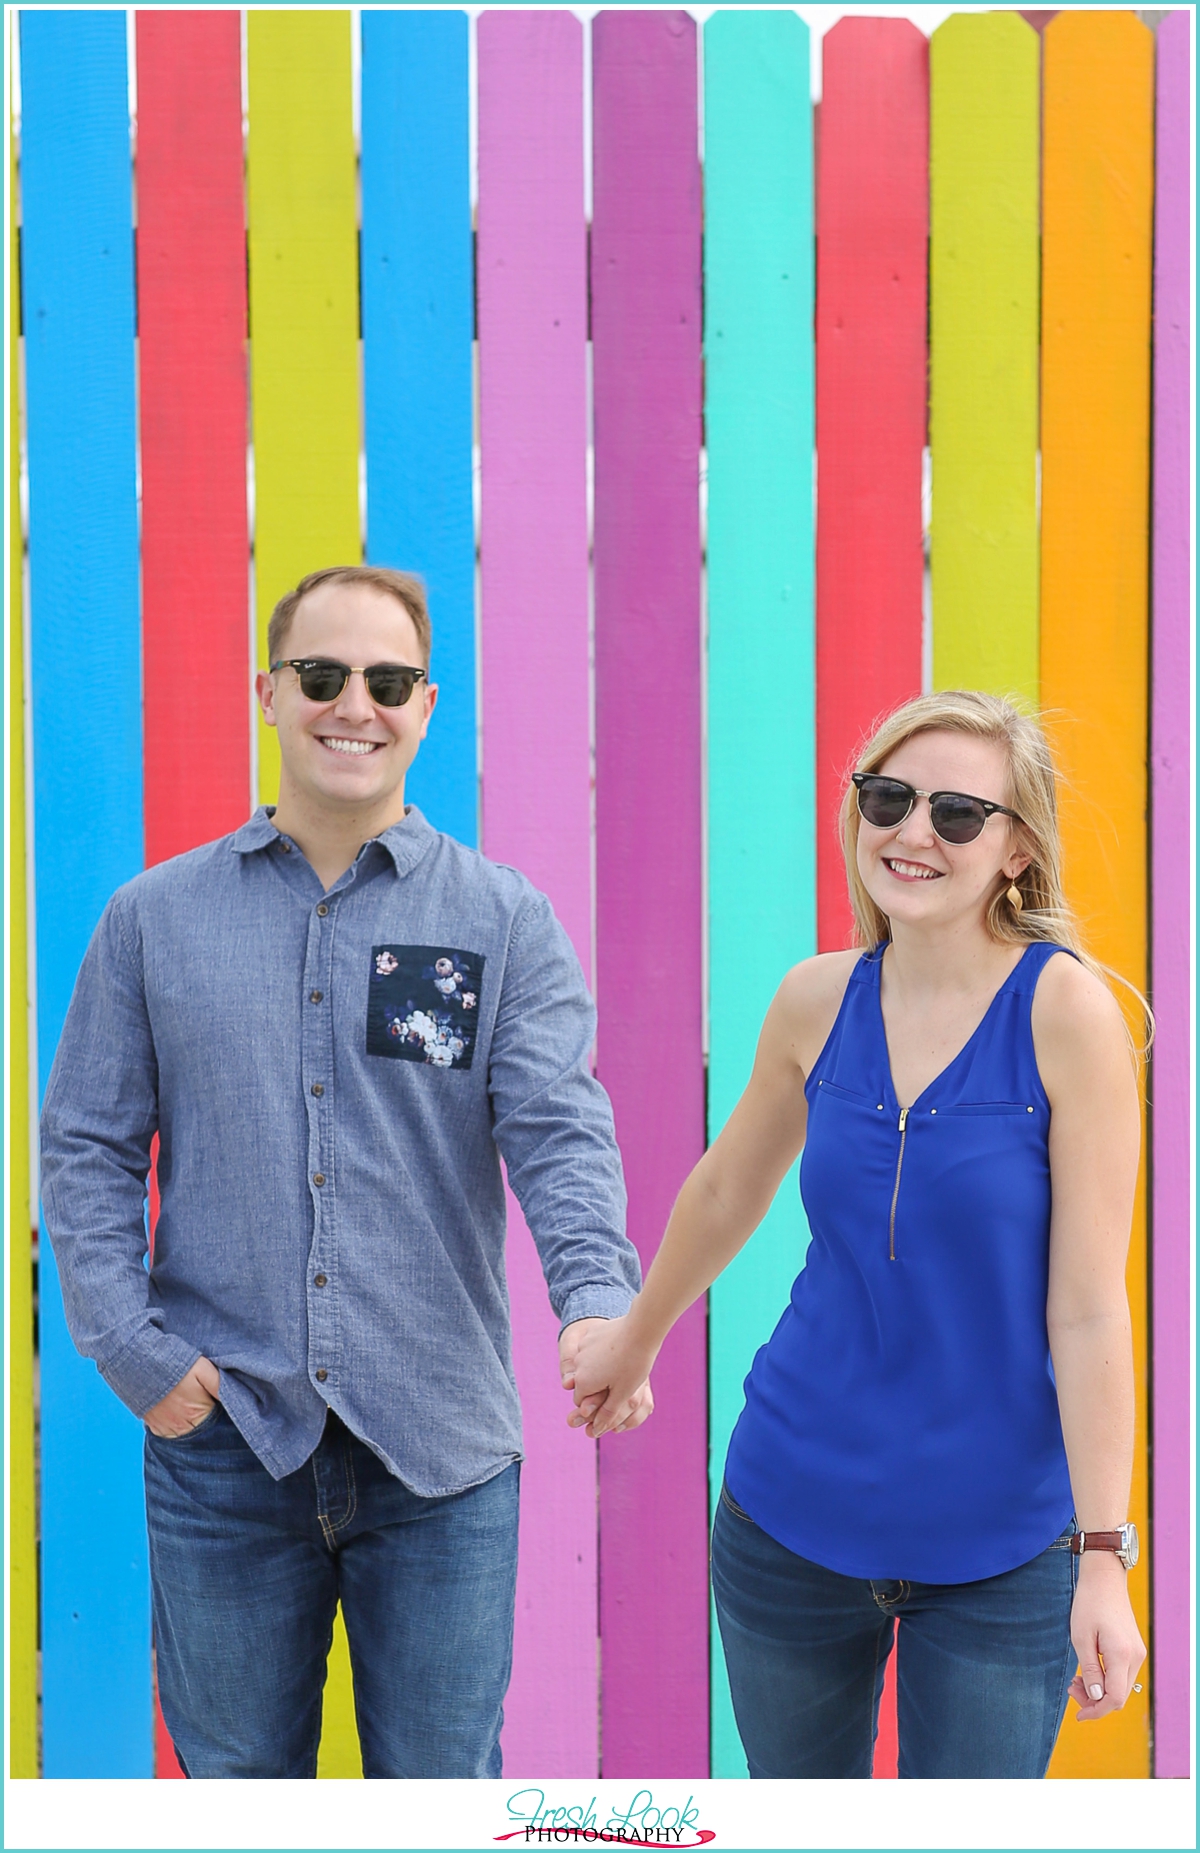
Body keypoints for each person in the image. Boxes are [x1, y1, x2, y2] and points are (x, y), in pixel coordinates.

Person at [39, 564, 648, 1780]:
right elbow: (87, 1145)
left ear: (427, 706)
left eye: (385, 680)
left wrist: (597, 1299)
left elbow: (559, 1130)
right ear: (268, 692)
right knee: (238, 1798)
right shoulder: (152, 918)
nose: (351, 705)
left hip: (442, 1457)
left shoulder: (502, 921)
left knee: (438, 1801)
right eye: (321, 676)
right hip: (226, 1447)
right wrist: (134, 1351)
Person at [566, 690, 1147, 1779]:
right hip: (790, 1513)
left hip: (1001, 1545)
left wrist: (1104, 1556)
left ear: (1017, 850)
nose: (914, 831)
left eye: (960, 814)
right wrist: (635, 1338)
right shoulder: (815, 998)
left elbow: (1086, 1306)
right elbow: (727, 1186)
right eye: (888, 797)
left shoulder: (1067, 1016)